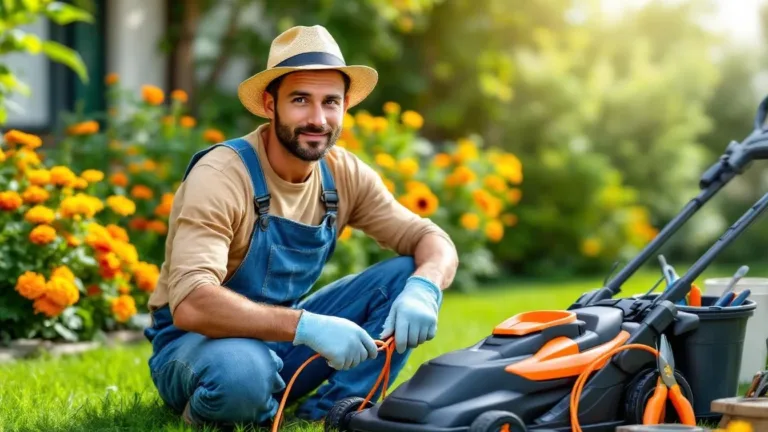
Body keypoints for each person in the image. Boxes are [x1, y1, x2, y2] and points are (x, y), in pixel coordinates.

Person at [143, 25, 458, 428]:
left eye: (331, 102)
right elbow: (191, 304)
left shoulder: (342, 174)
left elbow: (431, 239)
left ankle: (336, 411)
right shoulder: (222, 174)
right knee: (242, 376)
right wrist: (306, 326)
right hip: (197, 345)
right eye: (300, 100)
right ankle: (231, 402)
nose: (317, 118)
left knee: (403, 274)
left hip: (283, 339)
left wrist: (425, 287)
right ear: (270, 104)